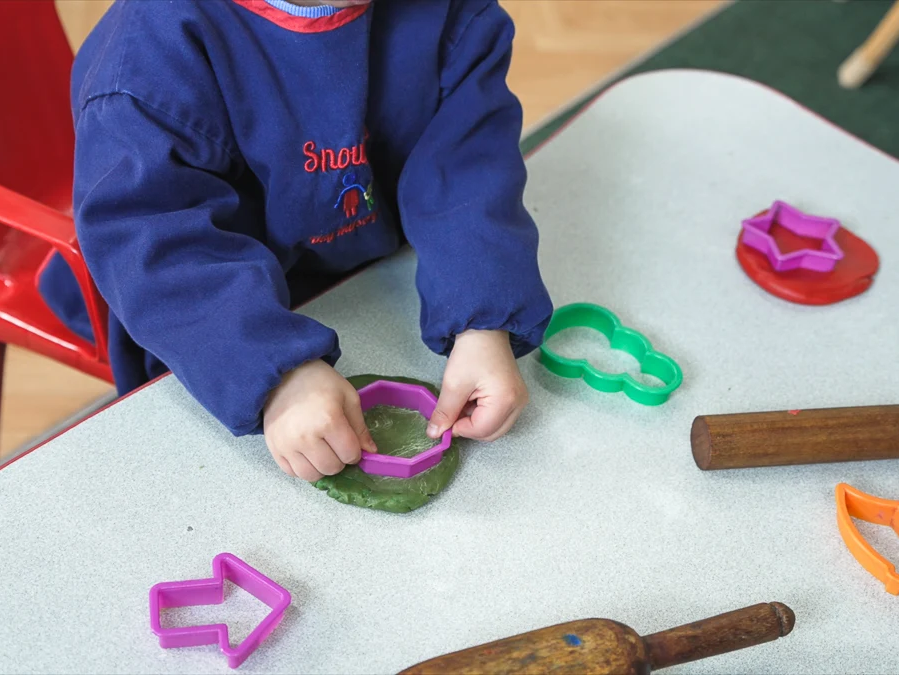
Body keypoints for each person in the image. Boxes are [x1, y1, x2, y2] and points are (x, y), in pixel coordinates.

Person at [37, 0, 554, 482]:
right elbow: (151, 233)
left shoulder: (452, 17)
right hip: (209, 319)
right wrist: (274, 372)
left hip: (361, 269)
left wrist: (483, 318)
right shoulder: (149, 50)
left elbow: (466, 168)